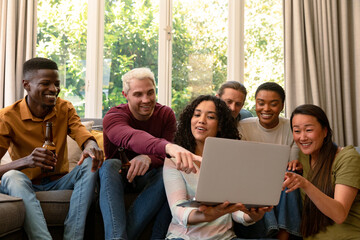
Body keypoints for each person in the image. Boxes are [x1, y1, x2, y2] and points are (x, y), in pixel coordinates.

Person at [0, 57, 104, 240]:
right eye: (45, 83)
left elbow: (81, 133)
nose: (54, 89)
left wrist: (91, 145)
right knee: (12, 176)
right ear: (27, 85)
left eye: (57, 84)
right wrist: (27, 161)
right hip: (26, 183)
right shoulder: (7, 116)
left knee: (90, 163)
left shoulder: (65, 108)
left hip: (59, 181)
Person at [99, 67, 201, 240]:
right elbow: (131, 137)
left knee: (167, 173)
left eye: (150, 93)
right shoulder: (113, 116)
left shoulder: (165, 114)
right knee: (109, 165)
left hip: (150, 177)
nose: (146, 100)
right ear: (126, 95)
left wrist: (148, 158)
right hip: (118, 178)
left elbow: (166, 159)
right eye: (138, 94)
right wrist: (167, 147)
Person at [163, 95, 272, 240]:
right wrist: (208, 215)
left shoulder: (231, 160)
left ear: (220, 125)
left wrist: (251, 216)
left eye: (211, 117)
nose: (201, 120)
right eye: (197, 115)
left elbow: (234, 210)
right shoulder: (174, 160)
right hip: (185, 237)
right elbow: (177, 210)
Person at [235, 82, 302, 239]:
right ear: (255, 103)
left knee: (290, 175)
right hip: (254, 180)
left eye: (273, 104)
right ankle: (272, 229)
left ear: (282, 106)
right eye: (261, 103)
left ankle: (284, 233)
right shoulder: (243, 126)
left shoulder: (291, 127)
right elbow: (243, 164)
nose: (266, 109)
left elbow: (292, 163)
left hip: (282, 181)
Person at [284, 104, 360, 239]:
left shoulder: (348, 158)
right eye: (297, 131)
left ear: (325, 131)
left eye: (308, 130)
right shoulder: (304, 156)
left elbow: (340, 215)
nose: (302, 137)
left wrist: (305, 184)